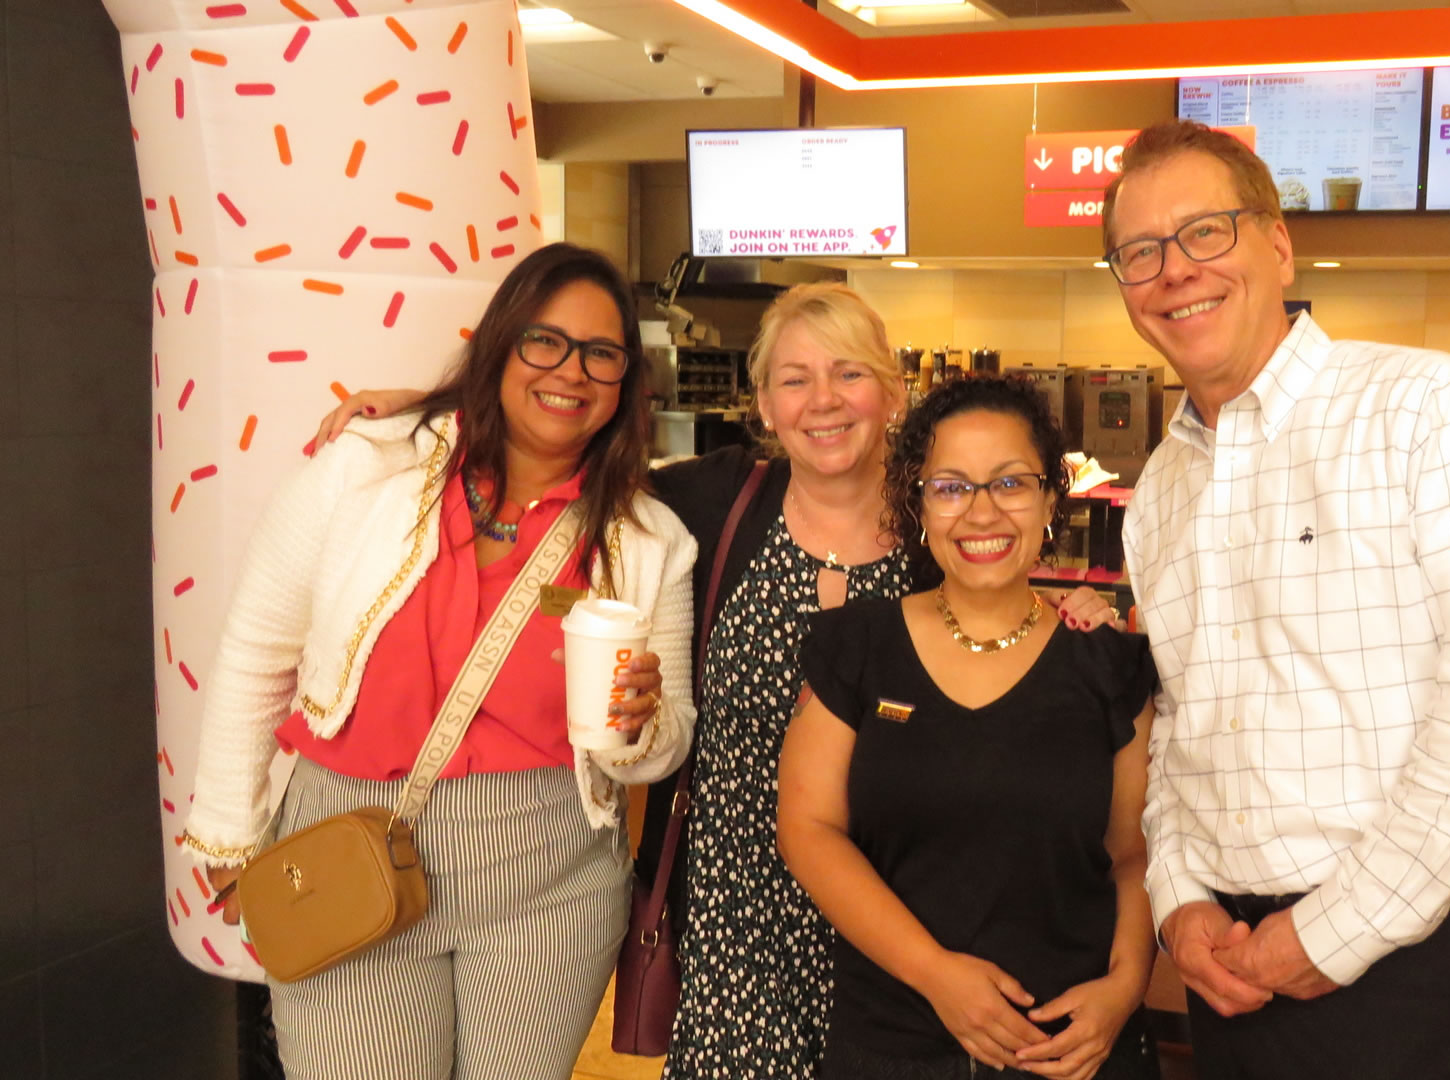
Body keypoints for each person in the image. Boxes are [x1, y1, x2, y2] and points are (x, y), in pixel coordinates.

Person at [313, 282, 1119, 1079]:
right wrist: (438, 412)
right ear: (763, 402)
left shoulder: (940, 526)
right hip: (738, 923)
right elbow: (566, 452)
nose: (823, 400)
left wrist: (1070, 609)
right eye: (795, 379)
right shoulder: (715, 502)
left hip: (902, 920)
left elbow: (998, 623)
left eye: (849, 373)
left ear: (892, 392)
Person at [1101, 120, 1450, 1079]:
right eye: (1139, 252)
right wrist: (1180, 901)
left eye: (1205, 231)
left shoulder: (1431, 409)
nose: (1174, 270)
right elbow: (1183, 728)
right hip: (1229, 971)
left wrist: (1331, 933)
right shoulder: (1160, 490)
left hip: (1407, 964)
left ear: (1278, 245)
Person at [182, 242, 698, 1080]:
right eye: (545, 340)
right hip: (351, 847)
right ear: (501, 343)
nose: (571, 371)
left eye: (601, 353)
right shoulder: (367, 467)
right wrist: (231, 839)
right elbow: (257, 648)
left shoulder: (649, 540)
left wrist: (640, 729)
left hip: (552, 881)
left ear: (624, 381)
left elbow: (664, 742)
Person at [779, 374, 1160, 1080]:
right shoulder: (857, 646)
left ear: (1050, 501)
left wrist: (1126, 986)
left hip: (1075, 1049)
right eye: (951, 487)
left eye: (1011, 483)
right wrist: (936, 974)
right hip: (895, 1043)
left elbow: (1133, 854)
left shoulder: (1108, 664)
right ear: (919, 504)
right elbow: (808, 829)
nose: (982, 513)